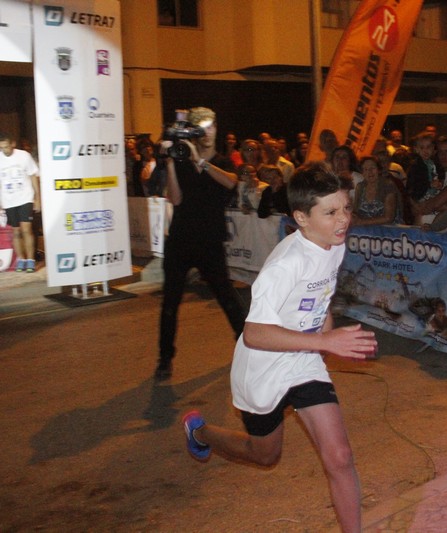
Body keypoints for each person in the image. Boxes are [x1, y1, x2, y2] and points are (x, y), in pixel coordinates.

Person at [181, 163, 376, 533]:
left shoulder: (333, 243)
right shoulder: (286, 264)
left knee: (340, 456)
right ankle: (201, 432)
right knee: (265, 454)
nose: (343, 220)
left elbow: (322, 293)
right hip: (263, 369)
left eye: (346, 208)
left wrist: (326, 334)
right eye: (331, 212)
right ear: (301, 218)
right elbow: (254, 333)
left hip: (303, 361)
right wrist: (324, 341)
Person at [156, 107, 247, 380]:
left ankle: (250, 347)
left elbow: (231, 183)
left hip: (209, 241)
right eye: (200, 128)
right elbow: (175, 199)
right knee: (170, 302)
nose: (206, 133)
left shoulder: (222, 162)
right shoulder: (181, 160)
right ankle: (164, 358)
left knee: (227, 297)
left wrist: (200, 161)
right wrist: (170, 163)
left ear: (216, 128)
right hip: (181, 239)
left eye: (210, 126)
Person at [0, 132, 40, 273]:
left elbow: (33, 176)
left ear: (13, 144)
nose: (4, 150)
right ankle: (21, 259)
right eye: (1, 148)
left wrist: (37, 198)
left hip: (25, 198)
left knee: (26, 229)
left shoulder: (24, 156)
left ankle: (30, 260)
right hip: (8, 201)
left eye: (6, 147)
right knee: (16, 231)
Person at [414, 136, 447, 227]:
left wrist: (418, 205)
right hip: (422, 228)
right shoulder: (433, 171)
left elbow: (433, 205)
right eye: (440, 152)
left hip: (440, 230)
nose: (443, 156)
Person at [351, 156, 399, 226]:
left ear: (379, 170)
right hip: (365, 229)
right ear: (362, 173)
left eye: (372, 168)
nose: (370, 172)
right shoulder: (360, 187)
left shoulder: (388, 186)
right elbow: (355, 211)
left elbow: (389, 218)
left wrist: (362, 222)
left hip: (388, 229)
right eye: (366, 169)